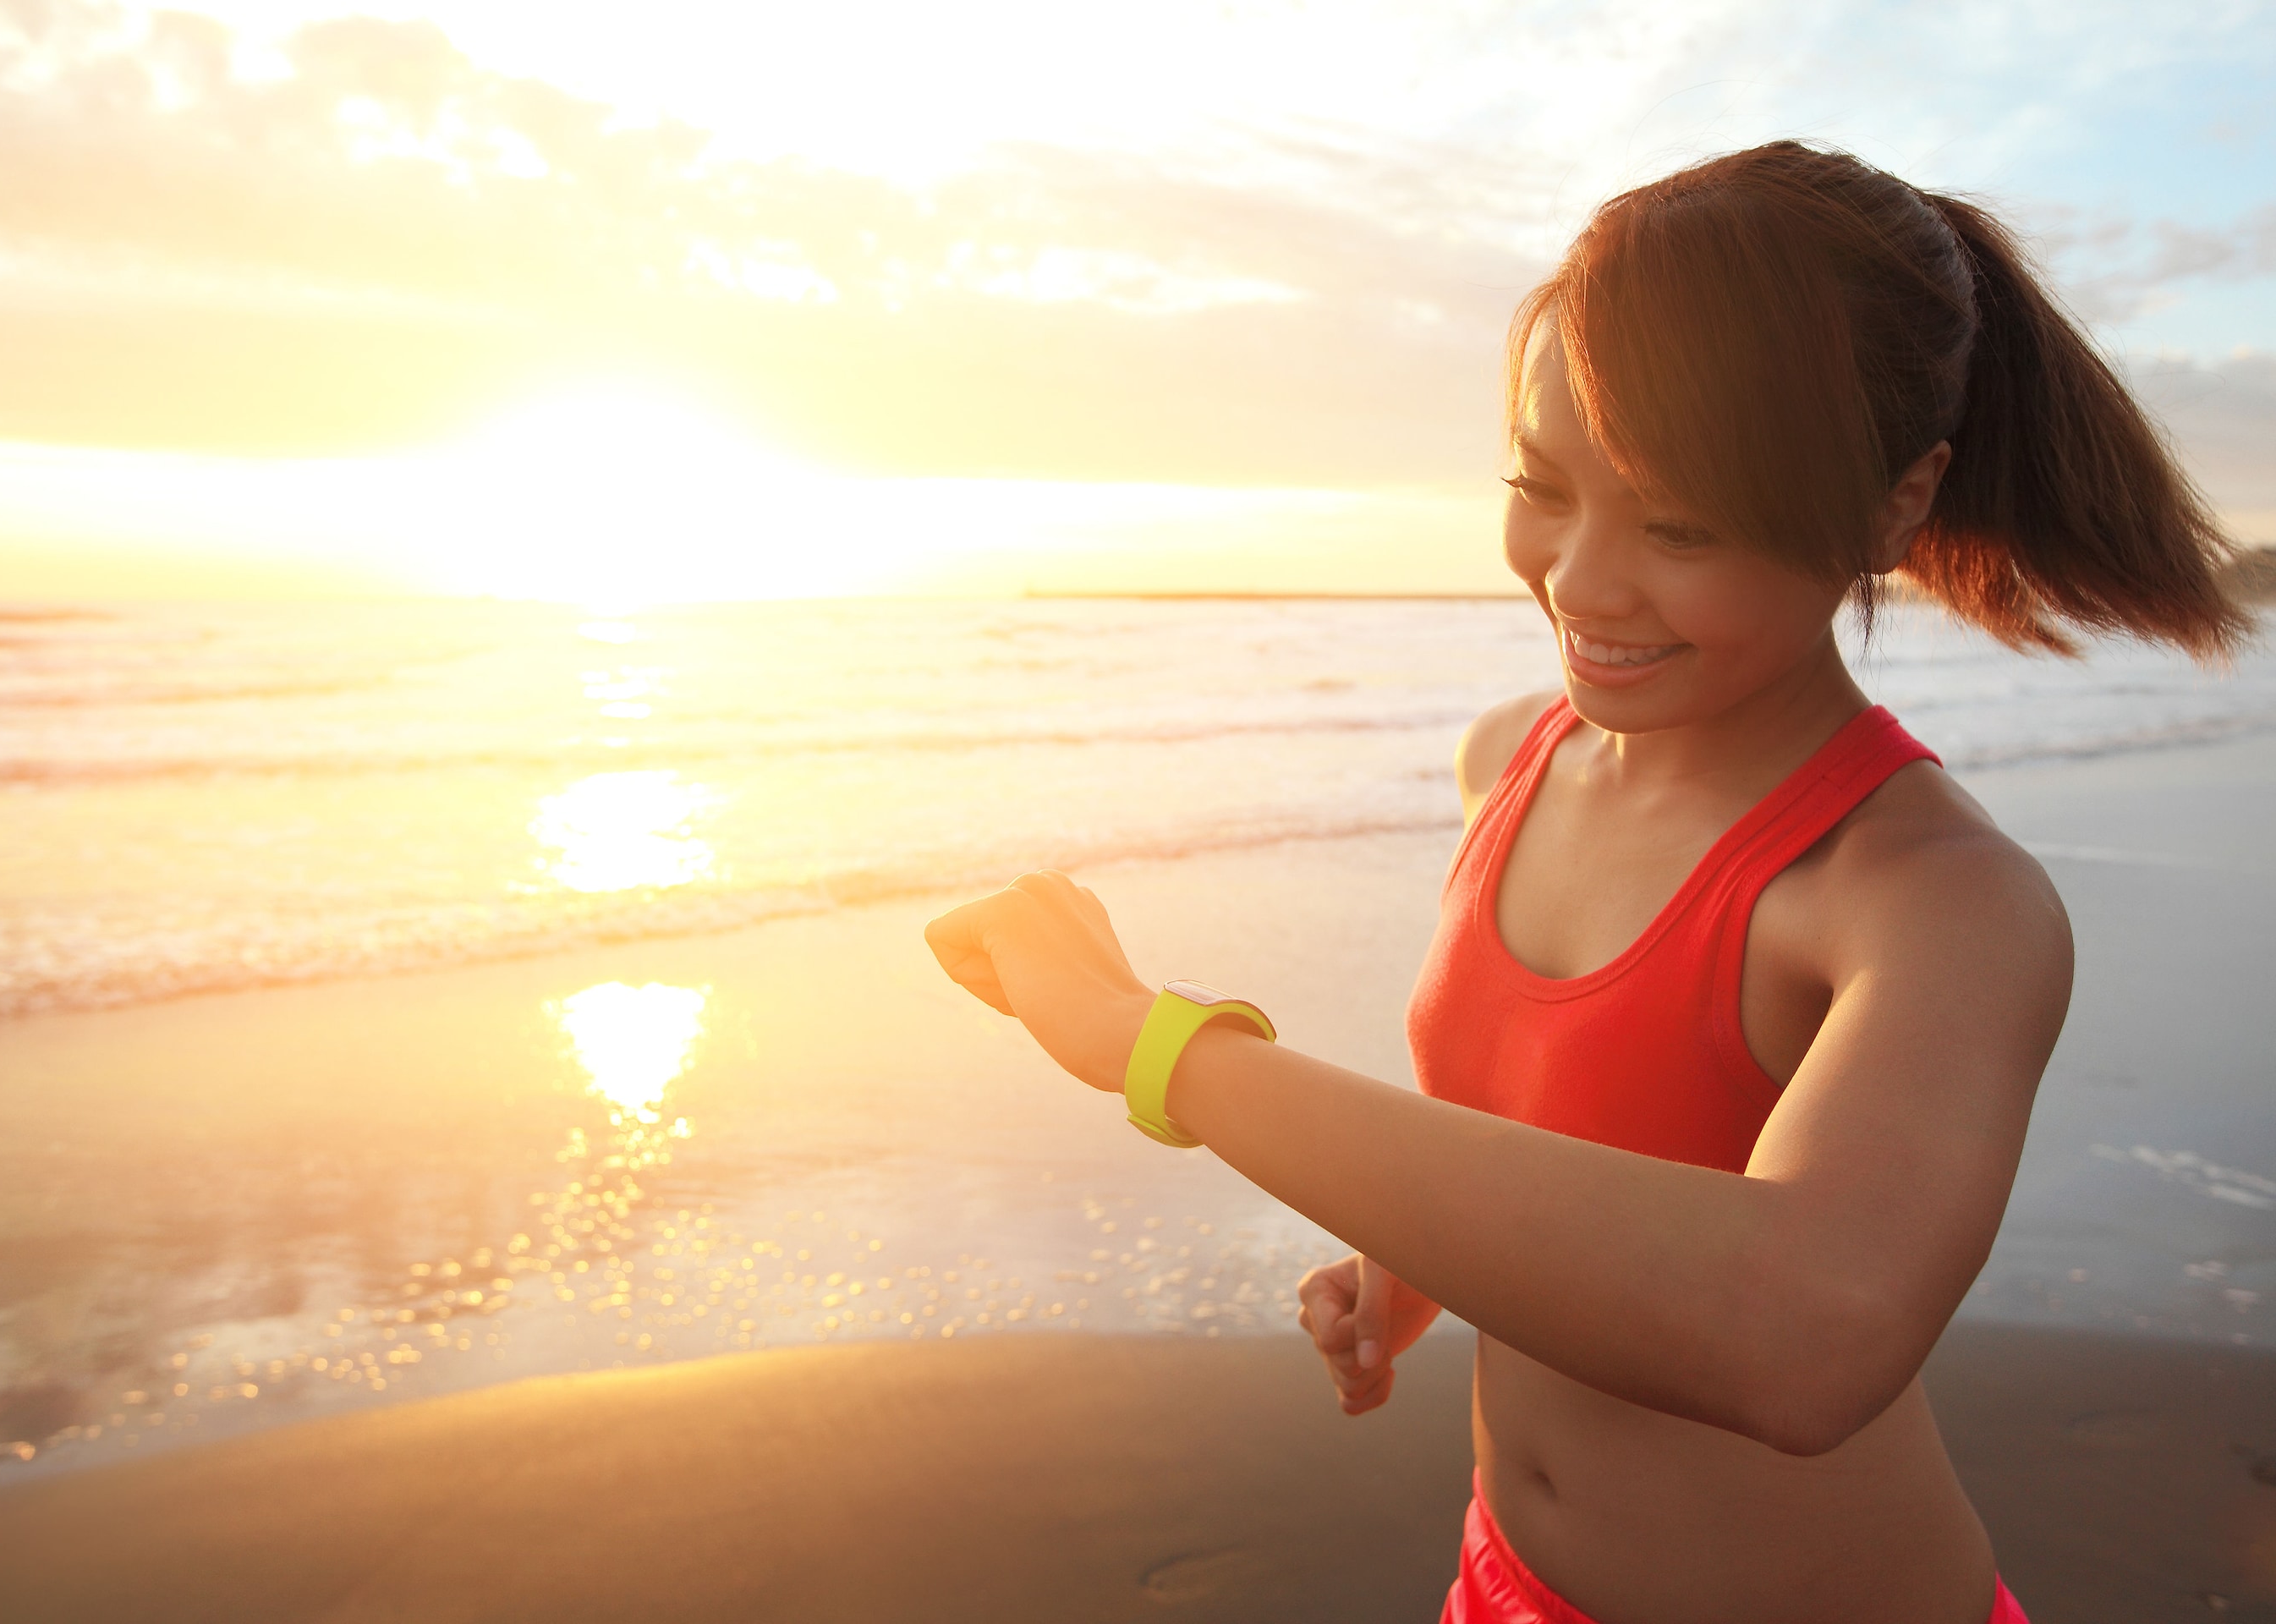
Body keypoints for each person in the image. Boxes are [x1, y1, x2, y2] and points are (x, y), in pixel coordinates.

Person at [923, 141, 2247, 1624]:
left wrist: (1156, 1047)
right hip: (1505, 1583)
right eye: (1543, 490)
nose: (1583, 582)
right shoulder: (1512, 764)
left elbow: (1803, 1337)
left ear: (1894, 507)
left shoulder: (1929, 899)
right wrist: (1412, 1253)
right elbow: (1552, 1115)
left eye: (1680, 524)